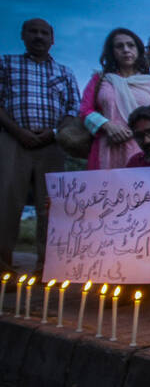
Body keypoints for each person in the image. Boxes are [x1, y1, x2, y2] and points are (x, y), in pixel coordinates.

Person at [0, 18, 81, 273]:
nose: (38, 36)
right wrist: (19, 131)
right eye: (33, 32)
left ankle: (47, 266)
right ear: (23, 35)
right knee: (7, 201)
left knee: (52, 205)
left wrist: (55, 132)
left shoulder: (64, 72)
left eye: (44, 33)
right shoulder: (6, 64)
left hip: (52, 142)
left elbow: (73, 108)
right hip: (14, 139)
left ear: (52, 39)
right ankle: (3, 266)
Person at [80, 28, 150, 170]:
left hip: (142, 149)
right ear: (112, 52)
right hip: (107, 148)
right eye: (119, 46)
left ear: (139, 50)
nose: (126, 50)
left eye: (131, 45)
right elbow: (85, 110)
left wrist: (138, 132)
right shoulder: (101, 79)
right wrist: (107, 125)